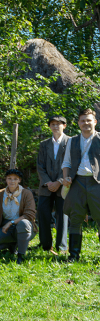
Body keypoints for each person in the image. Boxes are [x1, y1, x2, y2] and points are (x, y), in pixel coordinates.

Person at [61, 107, 100, 263]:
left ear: (95, 122)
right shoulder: (72, 140)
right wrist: (65, 178)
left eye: (89, 120)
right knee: (75, 218)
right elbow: (66, 162)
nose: (86, 123)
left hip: (96, 182)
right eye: (83, 120)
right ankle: (73, 255)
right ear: (78, 123)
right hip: (77, 182)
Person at [0, 169, 36, 264]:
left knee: (23, 224)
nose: (12, 181)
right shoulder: (0, 194)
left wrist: (11, 223)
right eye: (9, 178)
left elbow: (29, 215)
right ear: (6, 180)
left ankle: (21, 256)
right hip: (5, 228)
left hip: (23, 227)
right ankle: (10, 245)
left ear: (19, 180)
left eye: (15, 179)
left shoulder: (26, 193)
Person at [36, 115, 70, 254]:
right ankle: (45, 246)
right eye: (53, 124)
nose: (56, 126)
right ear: (49, 126)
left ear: (64, 125)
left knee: (62, 217)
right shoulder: (44, 144)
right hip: (46, 187)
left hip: (63, 186)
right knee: (43, 215)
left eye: (59, 124)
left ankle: (61, 247)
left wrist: (59, 182)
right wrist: (48, 182)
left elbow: (72, 165)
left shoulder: (71, 142)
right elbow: (40, 166)